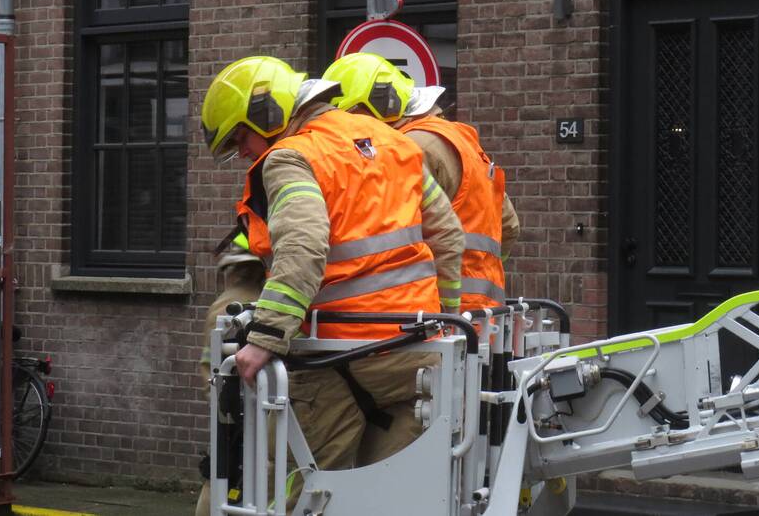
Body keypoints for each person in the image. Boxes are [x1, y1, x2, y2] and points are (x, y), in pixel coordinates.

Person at [199, 56, 464, 497]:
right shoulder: (394, 142)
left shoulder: (290, 157)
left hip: (334, 358)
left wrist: (264, 339)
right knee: (385, 498)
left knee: (291, 492)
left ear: (269, 112)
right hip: (415, 358)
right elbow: (449, 238)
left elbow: (302, 248)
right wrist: (444, 323)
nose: (243, 151)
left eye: (241, 136)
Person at [323, 52, 520, 313]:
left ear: (369, 108)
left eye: (347, 115)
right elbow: (509, 226)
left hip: (434, 312)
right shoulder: (462, 141)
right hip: (485, 311)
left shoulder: (409, 148)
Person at [195, 231, 265, 516]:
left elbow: (209, 367)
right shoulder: (256, 301)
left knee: (221, 476)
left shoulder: (227, 305)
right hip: (249, 409)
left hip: (234, 411)